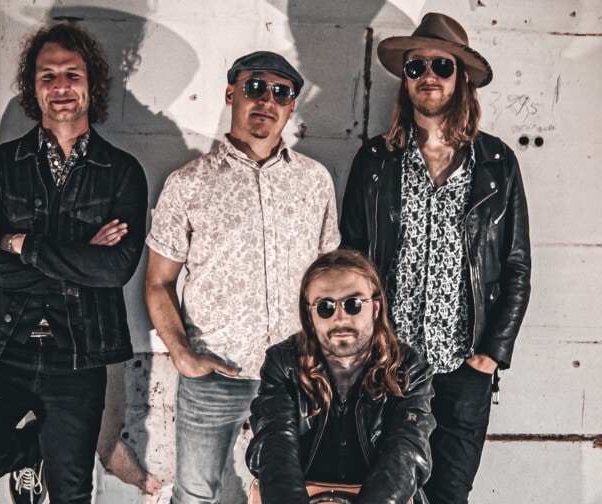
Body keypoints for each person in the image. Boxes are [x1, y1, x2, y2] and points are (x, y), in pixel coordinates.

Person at [0, 23, 148, 504]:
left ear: (91, 83)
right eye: (47, 75)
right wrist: (80, 255)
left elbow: (115, 269)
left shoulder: (122, 172)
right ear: (32, 86)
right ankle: (35, 451)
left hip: (79, 353)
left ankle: (54, 457)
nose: (60, 86)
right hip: (2, 345)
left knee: (70, 492)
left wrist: (19, 243)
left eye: (72, 74)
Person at [340, 12, 531, 504]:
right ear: (405, 80)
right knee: (381, 493)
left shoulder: (496, 163)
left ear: (461, 77)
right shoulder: (375, 161)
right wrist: (361, 348)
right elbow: (351, 262)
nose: (428, 76)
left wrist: (490, 356)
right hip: (388, 363)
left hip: (464, 369)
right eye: (416, 66)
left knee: (449, 496)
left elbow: (516, 267)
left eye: (441, 65)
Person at [144, 51, 340, 503]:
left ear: (291, 106)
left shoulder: (315, 181)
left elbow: (330, 281)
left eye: (280, 92)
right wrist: (183, 355)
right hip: (214, 375)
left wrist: (327, 359)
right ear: (231, 93)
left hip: (297, 375)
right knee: (195, 495)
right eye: (255, 87)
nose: (266, 100)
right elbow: (157, 282)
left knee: (297, 493)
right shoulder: (188, 183)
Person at [246, 249, 435, 504]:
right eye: (325, 307)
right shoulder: (283, 363)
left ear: (376, 307)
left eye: (353, 304)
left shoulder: (408, 367)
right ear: (310, 315)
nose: (340, 318)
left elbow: (406, 452)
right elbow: (274, 444)